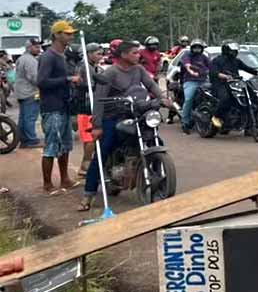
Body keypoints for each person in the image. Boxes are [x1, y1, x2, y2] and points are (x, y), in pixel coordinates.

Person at [80, 40, 164, 211]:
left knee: (156, 141)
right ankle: (88, 194)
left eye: (138, 52)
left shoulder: (138, 69)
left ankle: (158, 181)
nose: (138, 55)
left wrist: (163, 98)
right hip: (113, 116)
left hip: (134, 112)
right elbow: (98, 99)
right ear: (124, 55)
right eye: (134, 52)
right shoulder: (111, 73)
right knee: (103, 149)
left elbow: (151, 85)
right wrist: (97, 125)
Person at [37, 21, 81, 193]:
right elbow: (41, 81)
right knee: (51, 146)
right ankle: (47, 184)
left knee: (65, 145)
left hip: (63, 105)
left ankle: (65, 179)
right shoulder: (48, 57)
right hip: (52, 107)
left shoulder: (62, 56)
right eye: (67, 33)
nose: (71, 36)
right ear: (57, 35)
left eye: (71, 34)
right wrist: (68, 80)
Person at [209, 41, 258, 129]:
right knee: (225, 99)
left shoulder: (236, 61)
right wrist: (225, 76)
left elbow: (248, 68)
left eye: (235, 51)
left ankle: (248, 123)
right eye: (232, 51)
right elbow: (214, 72)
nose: (234, 53)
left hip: (235, 84)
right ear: (226, 50)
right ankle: (216, 116)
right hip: (220, 84)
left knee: (252, 95)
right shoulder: (217, 60)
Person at [74, 43, 104, 177]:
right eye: (98, 54)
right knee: (90, 139)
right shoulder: (85, 67)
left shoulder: (93, 67)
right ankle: (85, 167)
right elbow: (90, 86)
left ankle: (86, 165)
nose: (100, 56)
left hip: (89, 106)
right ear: (89, 54)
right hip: (85, 107)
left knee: (91, 139)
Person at [13, 38, 42, 148]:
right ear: (29, 47)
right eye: (36, 47)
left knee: (24, 117)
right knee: (30, 117)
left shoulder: (22, 58)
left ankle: (23, 139)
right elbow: (35, 78)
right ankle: (31, 140)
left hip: (22, 92)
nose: (39, 49)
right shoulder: (30, 60)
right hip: (29, 92)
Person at [179, 39, 210, 134]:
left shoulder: (204, 57)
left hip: (204, 81)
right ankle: (185, 122)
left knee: (211, 98)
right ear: (192, 48)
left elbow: (211, 67)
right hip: (190, 81)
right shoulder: (187, 55)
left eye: (199, 48)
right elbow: (187, 65)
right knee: (189, 99)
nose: (197, 49)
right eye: (195, 47)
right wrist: (192, 71)